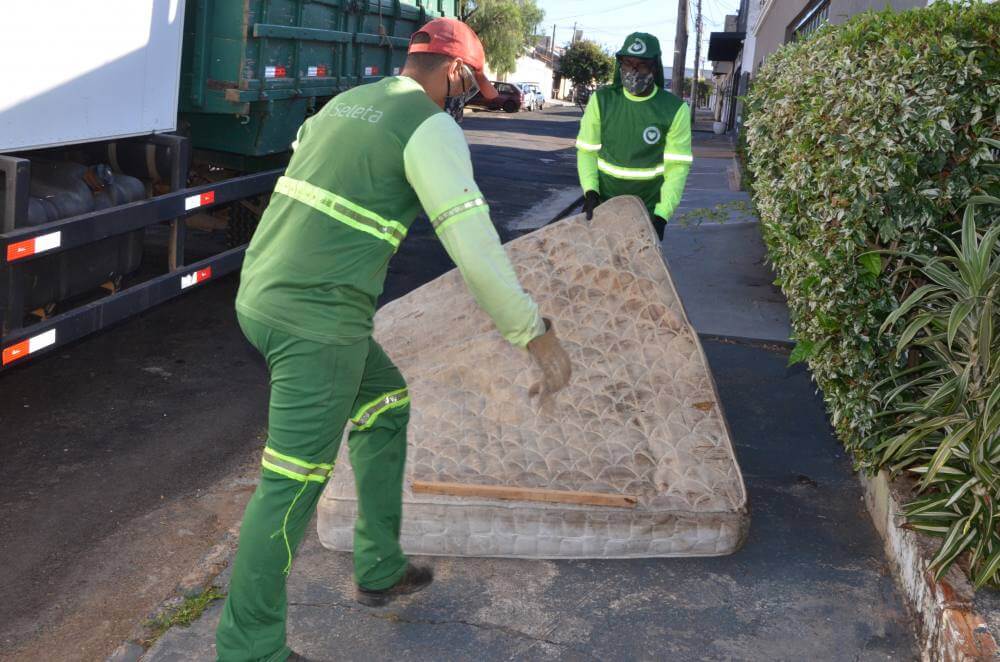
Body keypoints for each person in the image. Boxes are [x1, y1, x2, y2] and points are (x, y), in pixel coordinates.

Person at [216, 17, 572, 662]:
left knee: (385, 405)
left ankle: (379, 565)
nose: (466, 100)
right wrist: (530, 331)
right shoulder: (428, 127)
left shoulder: (346, 102)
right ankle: (249, 650)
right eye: (470, 85)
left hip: (264, 295)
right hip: (318, 320)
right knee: (290, 484)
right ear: (456, 72)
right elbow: (473, 244)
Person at [575, 32, 693, 240]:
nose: (633, 72)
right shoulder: (602, 101)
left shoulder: (674, 110)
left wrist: (662, 215)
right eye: (628, 64)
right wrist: (590, 191)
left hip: (646, 211)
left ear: (655, 67)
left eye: (642, 65)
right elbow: (587, 151)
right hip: (603, 206)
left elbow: (677, 168)